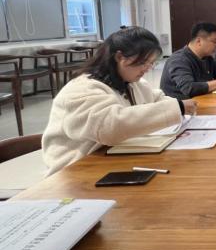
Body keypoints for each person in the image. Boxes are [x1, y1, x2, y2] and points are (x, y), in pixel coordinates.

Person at [42, 27, 197, 176]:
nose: (147, 68)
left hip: (112, 159)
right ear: (119, 57)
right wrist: (177, 107)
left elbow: (156, 98)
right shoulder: (82, 88)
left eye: (151, 63)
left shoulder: (132, 83)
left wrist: (177, 106)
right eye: (143, 62)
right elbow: (109, 127)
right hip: (75, 171)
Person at [160, 22, 216, 99]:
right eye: (214, 42)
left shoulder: (207, 57)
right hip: (181, 104)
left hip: (201, 99)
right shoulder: (179, 59)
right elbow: (188, 88)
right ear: (199, 41)